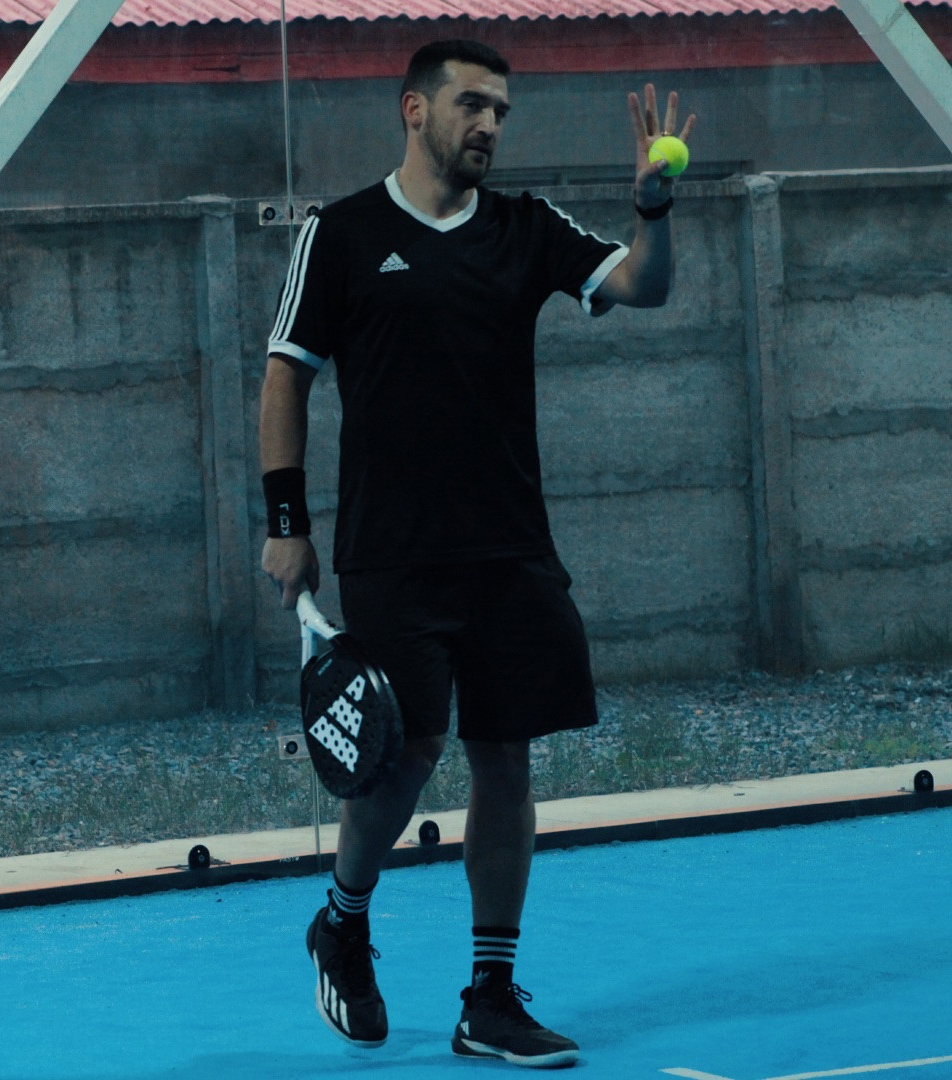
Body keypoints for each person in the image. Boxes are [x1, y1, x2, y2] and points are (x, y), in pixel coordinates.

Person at [257, 39, 692, 1068]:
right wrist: (286, 526)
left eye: (501, 109)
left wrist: (653, 208)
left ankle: (489, 997)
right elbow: (286, 375)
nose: (489, 124)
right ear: (415, 110)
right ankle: (342, 920)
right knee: (401, 759)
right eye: (471, 105)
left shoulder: (526, 229)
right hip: (392, 553)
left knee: (506, 760)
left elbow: (645, 285)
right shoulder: (341, 234)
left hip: (510, 552)